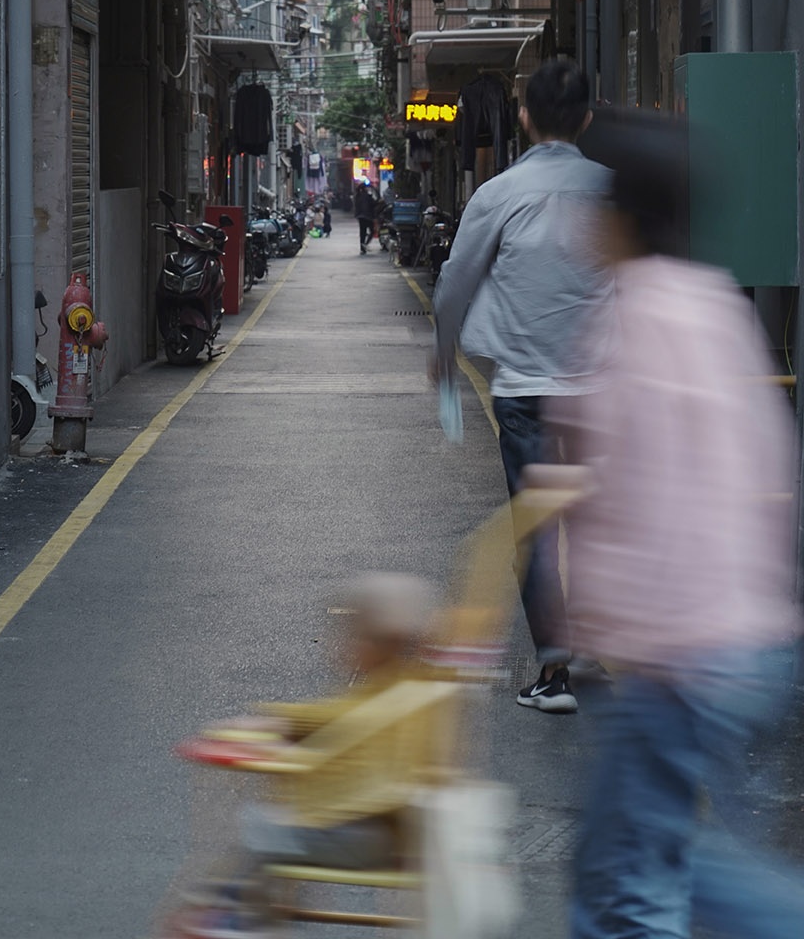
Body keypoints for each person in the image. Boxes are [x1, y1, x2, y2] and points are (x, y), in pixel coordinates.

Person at [536, 112, 804, 937]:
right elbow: (761, 471)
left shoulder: (628, 322)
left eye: (594, 202)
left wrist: (596, 627)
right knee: (667, 866)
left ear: (623, 215)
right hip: (749, 639)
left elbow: (638, 493)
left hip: (679, 654)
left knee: (627, 893)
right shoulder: (715, 303)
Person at [431, 58, 612, 713]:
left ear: (526, 118)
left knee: (536, 525)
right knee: (593, 518)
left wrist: (444, 349)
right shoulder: (612, 190)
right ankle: (590, 643)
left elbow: (456, 280)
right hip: (598, 389)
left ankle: (554, 671)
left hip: (524, 388)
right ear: (587, 118)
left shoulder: (499, 193)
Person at [167, 573, 439, 937]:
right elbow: (336, 716)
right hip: (387, 832)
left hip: (367, 836)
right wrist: (278, 719)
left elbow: (343, 725)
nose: (340, 644)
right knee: (270, 827)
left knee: (262, 826)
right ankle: (242, 908)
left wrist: (275, 731)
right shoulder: (404, 686)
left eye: (350, 635)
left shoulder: (390, 701)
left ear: (376, 644)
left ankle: (238, 917)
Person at [353, 181, 376, 255]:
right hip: (367, 216)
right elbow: (373, 204)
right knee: (372, 231)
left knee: (362, 232)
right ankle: (365, 244)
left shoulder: (357, 196)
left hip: (360, 216)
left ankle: (362, 248)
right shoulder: (368, 196)